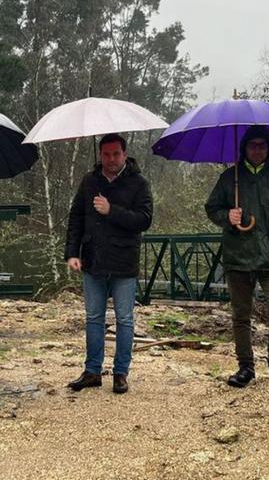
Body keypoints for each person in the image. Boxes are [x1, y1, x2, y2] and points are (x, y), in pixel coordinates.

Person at [204, 125, 269, 388]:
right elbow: (212, 208)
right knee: (241, 314)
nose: (257, 149)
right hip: (238, 256)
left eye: (262, 145)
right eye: (252, 145)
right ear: (244, 147)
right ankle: (245, 366)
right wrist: (227, 216)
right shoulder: (230, 178)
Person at [64, 133, 153, 394]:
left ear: (125, 154)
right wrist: (72, 252)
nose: (111, 159)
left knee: (124, 320)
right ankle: (92, 371)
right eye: (106, 154)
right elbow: (76, 218)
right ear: (100, 155)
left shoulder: (139, 183)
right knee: (93, 318)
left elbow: (144, 220)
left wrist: (111, 210)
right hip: (93, 259)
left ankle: (121, 373)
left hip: (124, 261)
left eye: (116, 154)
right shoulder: (89, 181)